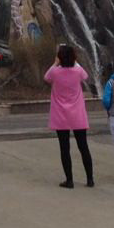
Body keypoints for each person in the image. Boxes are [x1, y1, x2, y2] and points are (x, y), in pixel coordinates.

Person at [45, 44, 93, 188]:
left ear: (59, 57)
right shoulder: (78, 71)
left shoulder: (55, 72)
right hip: (77, 114)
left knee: (64, 148)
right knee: (83, 146)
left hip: (61, 115)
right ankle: (90, 179)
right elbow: (86, 75)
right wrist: (74, 60)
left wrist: (55, 62)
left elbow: (46, 77)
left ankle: (69, 180)